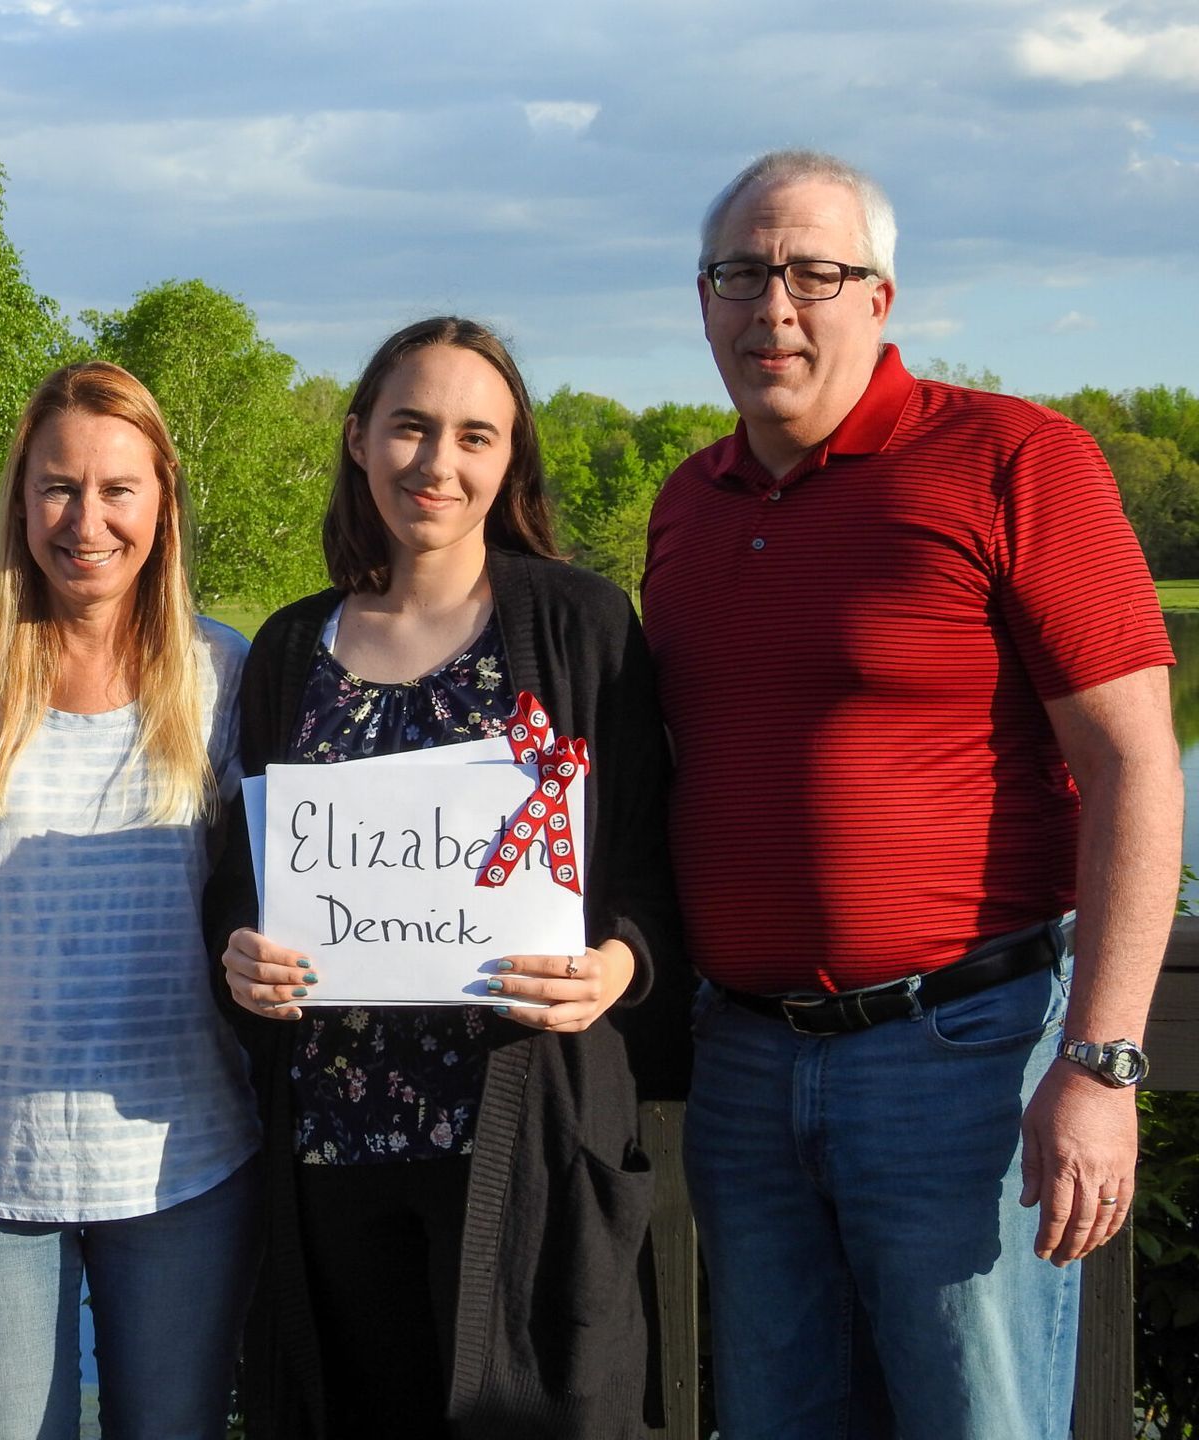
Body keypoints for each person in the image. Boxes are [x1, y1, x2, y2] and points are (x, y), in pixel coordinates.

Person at [642, 149, 1181, 1439]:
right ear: (703, 300)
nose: (774, 305)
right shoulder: (686, 505)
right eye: (740, 274)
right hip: (744, 1064)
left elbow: (1137, 764)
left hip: (959, 1057)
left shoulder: (1013, 460)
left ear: (878, 297)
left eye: (812, 272)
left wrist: (1102, 1065)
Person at [214, 317, 684, 1439]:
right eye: (411, 427)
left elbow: (652, 865)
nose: (439, 462)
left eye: (475, 435)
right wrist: (241, 957)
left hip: (527, 1145)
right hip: (334, 1145)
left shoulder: (579, 626)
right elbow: (241, 882)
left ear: (509, 457)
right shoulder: (289, 649)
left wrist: (618, 963)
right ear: (358, 440)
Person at [0, 361, 262, 1438]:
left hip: (185, 1160)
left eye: (117, 489)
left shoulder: (227, 677)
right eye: (58, 488)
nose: (87, 521)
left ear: (162, 500)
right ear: (21, 500)